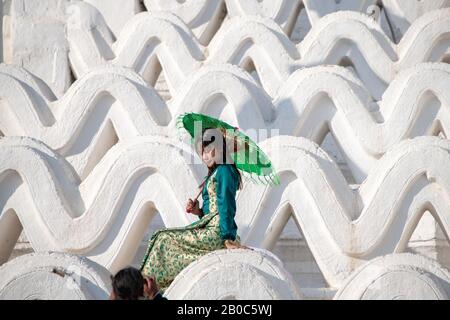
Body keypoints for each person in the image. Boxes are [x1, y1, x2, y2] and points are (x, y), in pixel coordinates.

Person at [140, 127, 249, 291]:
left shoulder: (225, 170)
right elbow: (210, 211)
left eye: (209, 151)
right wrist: (198, 211)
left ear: (219, 148)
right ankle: (146, 285)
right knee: (159, 237)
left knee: (163, 239)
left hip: (220, 232)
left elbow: (226, 206)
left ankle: (144, 287)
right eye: (202, 153)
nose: (205, 156)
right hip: (212, 227)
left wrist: (227, 238)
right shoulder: (216, 172)